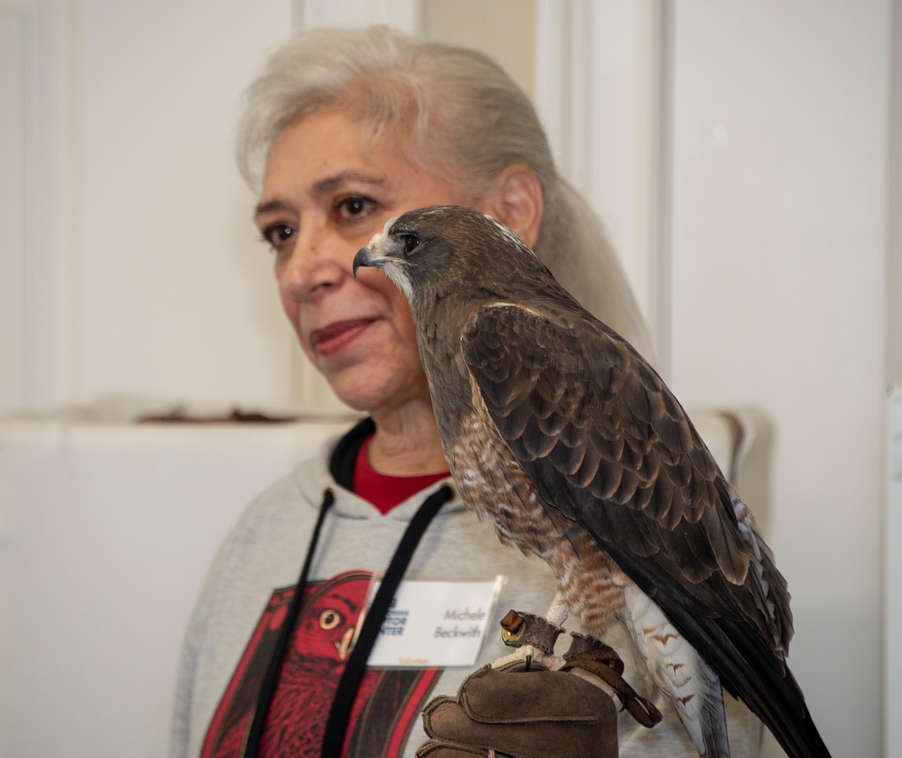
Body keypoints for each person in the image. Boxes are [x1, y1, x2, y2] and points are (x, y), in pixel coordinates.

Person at [171, 25, 761, 757]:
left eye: (354, 205)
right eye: (280, 231)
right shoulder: (263, 535)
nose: (303, 270)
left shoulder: (634, 475)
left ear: (510, 212)